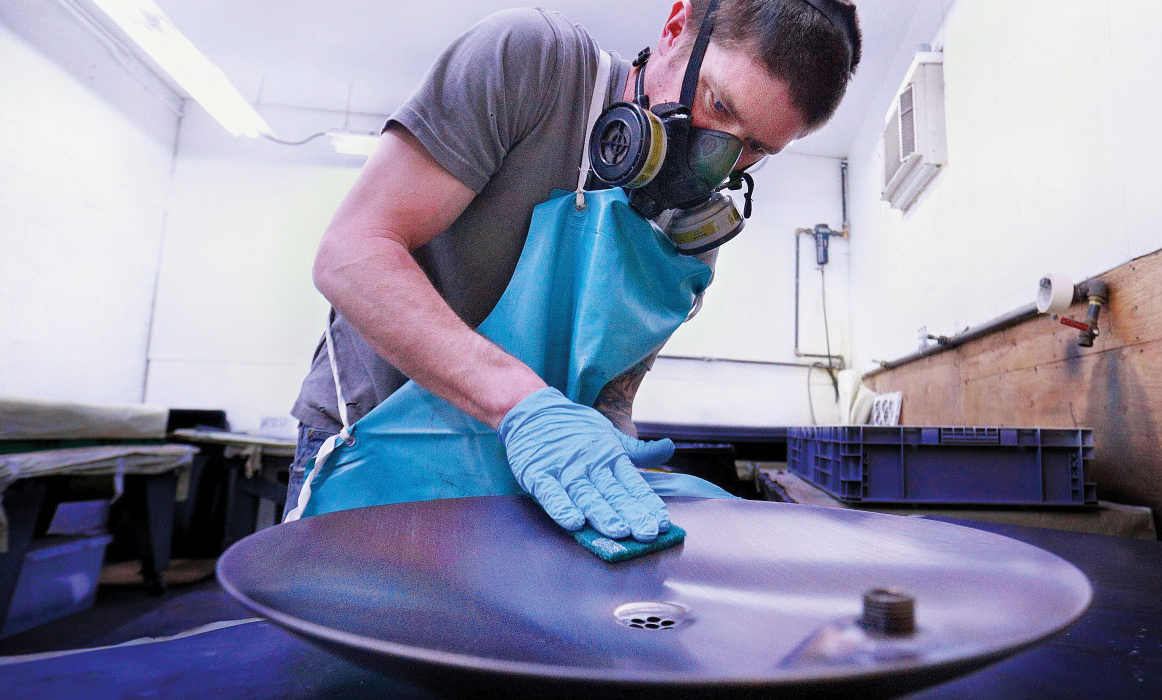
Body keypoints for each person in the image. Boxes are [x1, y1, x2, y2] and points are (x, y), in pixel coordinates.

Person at [285, 0, 861, 539]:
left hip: (524, 482)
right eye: (718, 105)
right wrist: (521, 404)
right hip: (373, 450)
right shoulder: (532, 63)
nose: (714, 161)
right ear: (675, 27)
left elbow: (610, 395)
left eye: (754, 149)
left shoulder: (692, 228)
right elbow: (351, 253)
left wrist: (611, 458)